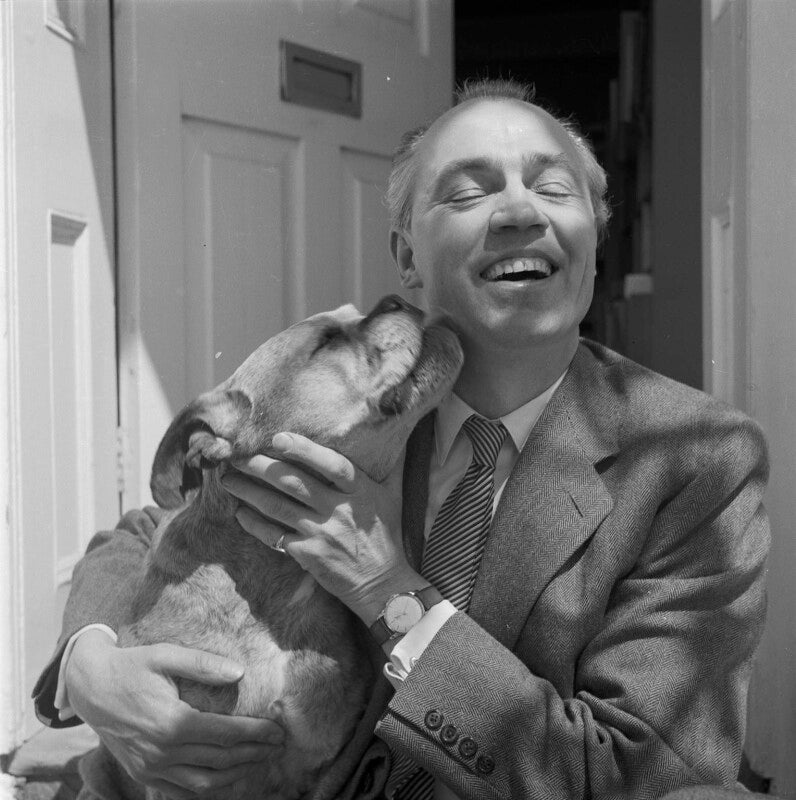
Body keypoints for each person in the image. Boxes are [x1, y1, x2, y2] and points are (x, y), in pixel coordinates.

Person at [34, 79, 770, 800]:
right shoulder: (353, 417)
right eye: (468, 193)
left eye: (553, 189)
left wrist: (391, 594)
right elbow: (151, 532)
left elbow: (638, 775)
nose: (520, 212)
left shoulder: (696, 458)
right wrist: (88, 666)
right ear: (408, 256)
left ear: (594, 239)